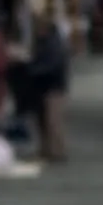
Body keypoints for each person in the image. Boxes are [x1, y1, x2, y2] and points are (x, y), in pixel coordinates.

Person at [30, 14, 70, 162]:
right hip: (44, 86)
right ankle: (47, 149)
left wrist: (33, 69)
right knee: (44, 120)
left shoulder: (54, 43)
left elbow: (52, 65)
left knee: (54, 121)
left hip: (54, 86)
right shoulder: (45, 41)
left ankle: (58, 151)